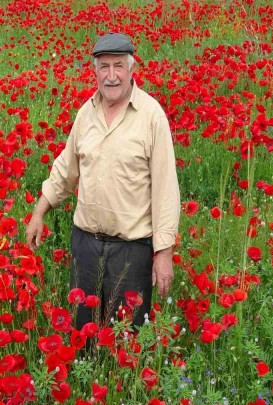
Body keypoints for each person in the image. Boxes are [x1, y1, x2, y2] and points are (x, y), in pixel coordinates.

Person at [25, 33, 180, 331]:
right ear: (94, 71)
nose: (111, 76)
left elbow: (166, 190)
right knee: (83, 333)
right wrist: (39, 212)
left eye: (118, 66)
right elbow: (65, 170)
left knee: (127, 339)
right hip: (86, 246)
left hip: (131, 251)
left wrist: (164, 252)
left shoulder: (151, 116)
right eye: (104, 67)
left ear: (131, 69)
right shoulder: (86, 113)